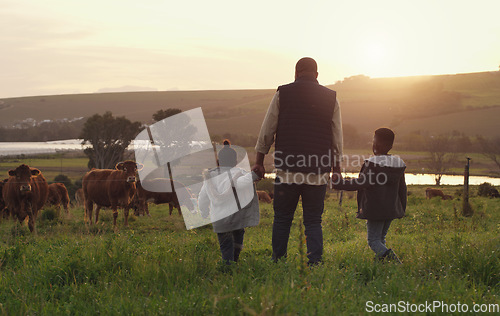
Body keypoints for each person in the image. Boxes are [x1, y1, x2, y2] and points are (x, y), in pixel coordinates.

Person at [252, 57, 343, 265]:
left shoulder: (282, 94)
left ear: (296, 72)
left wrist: (259, 161)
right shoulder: (332, 98)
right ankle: (315, 264)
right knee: (313, 221)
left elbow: (267, 130)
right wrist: (336, 168)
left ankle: (278, 261)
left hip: (287, 171)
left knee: (282, 219)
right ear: (317, 75)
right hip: (318, 172)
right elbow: (337, 136)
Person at [333, 128, 406, 263]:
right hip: (391, 209)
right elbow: (402, 189)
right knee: (381, 239)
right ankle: (381, 267)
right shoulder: (398, 165)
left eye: (374, 141)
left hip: (375, 209)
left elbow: (361, 183)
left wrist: (339, 184)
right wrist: (402, 209)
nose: (373, 145)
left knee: (373, 241)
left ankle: (395, 263)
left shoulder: (373, 165)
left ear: (377, 145)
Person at [198, 140, 260, 264]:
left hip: (220, 220)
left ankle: (228, 266)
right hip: (237, 218)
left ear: (219, 161)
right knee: (237, 243)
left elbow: (202, 197)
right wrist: (255, 174)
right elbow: (244, 182)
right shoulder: (239, 173)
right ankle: (232, 265)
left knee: (226, 246)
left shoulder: (210, 177)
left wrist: (204, 211)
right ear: (235, 161)